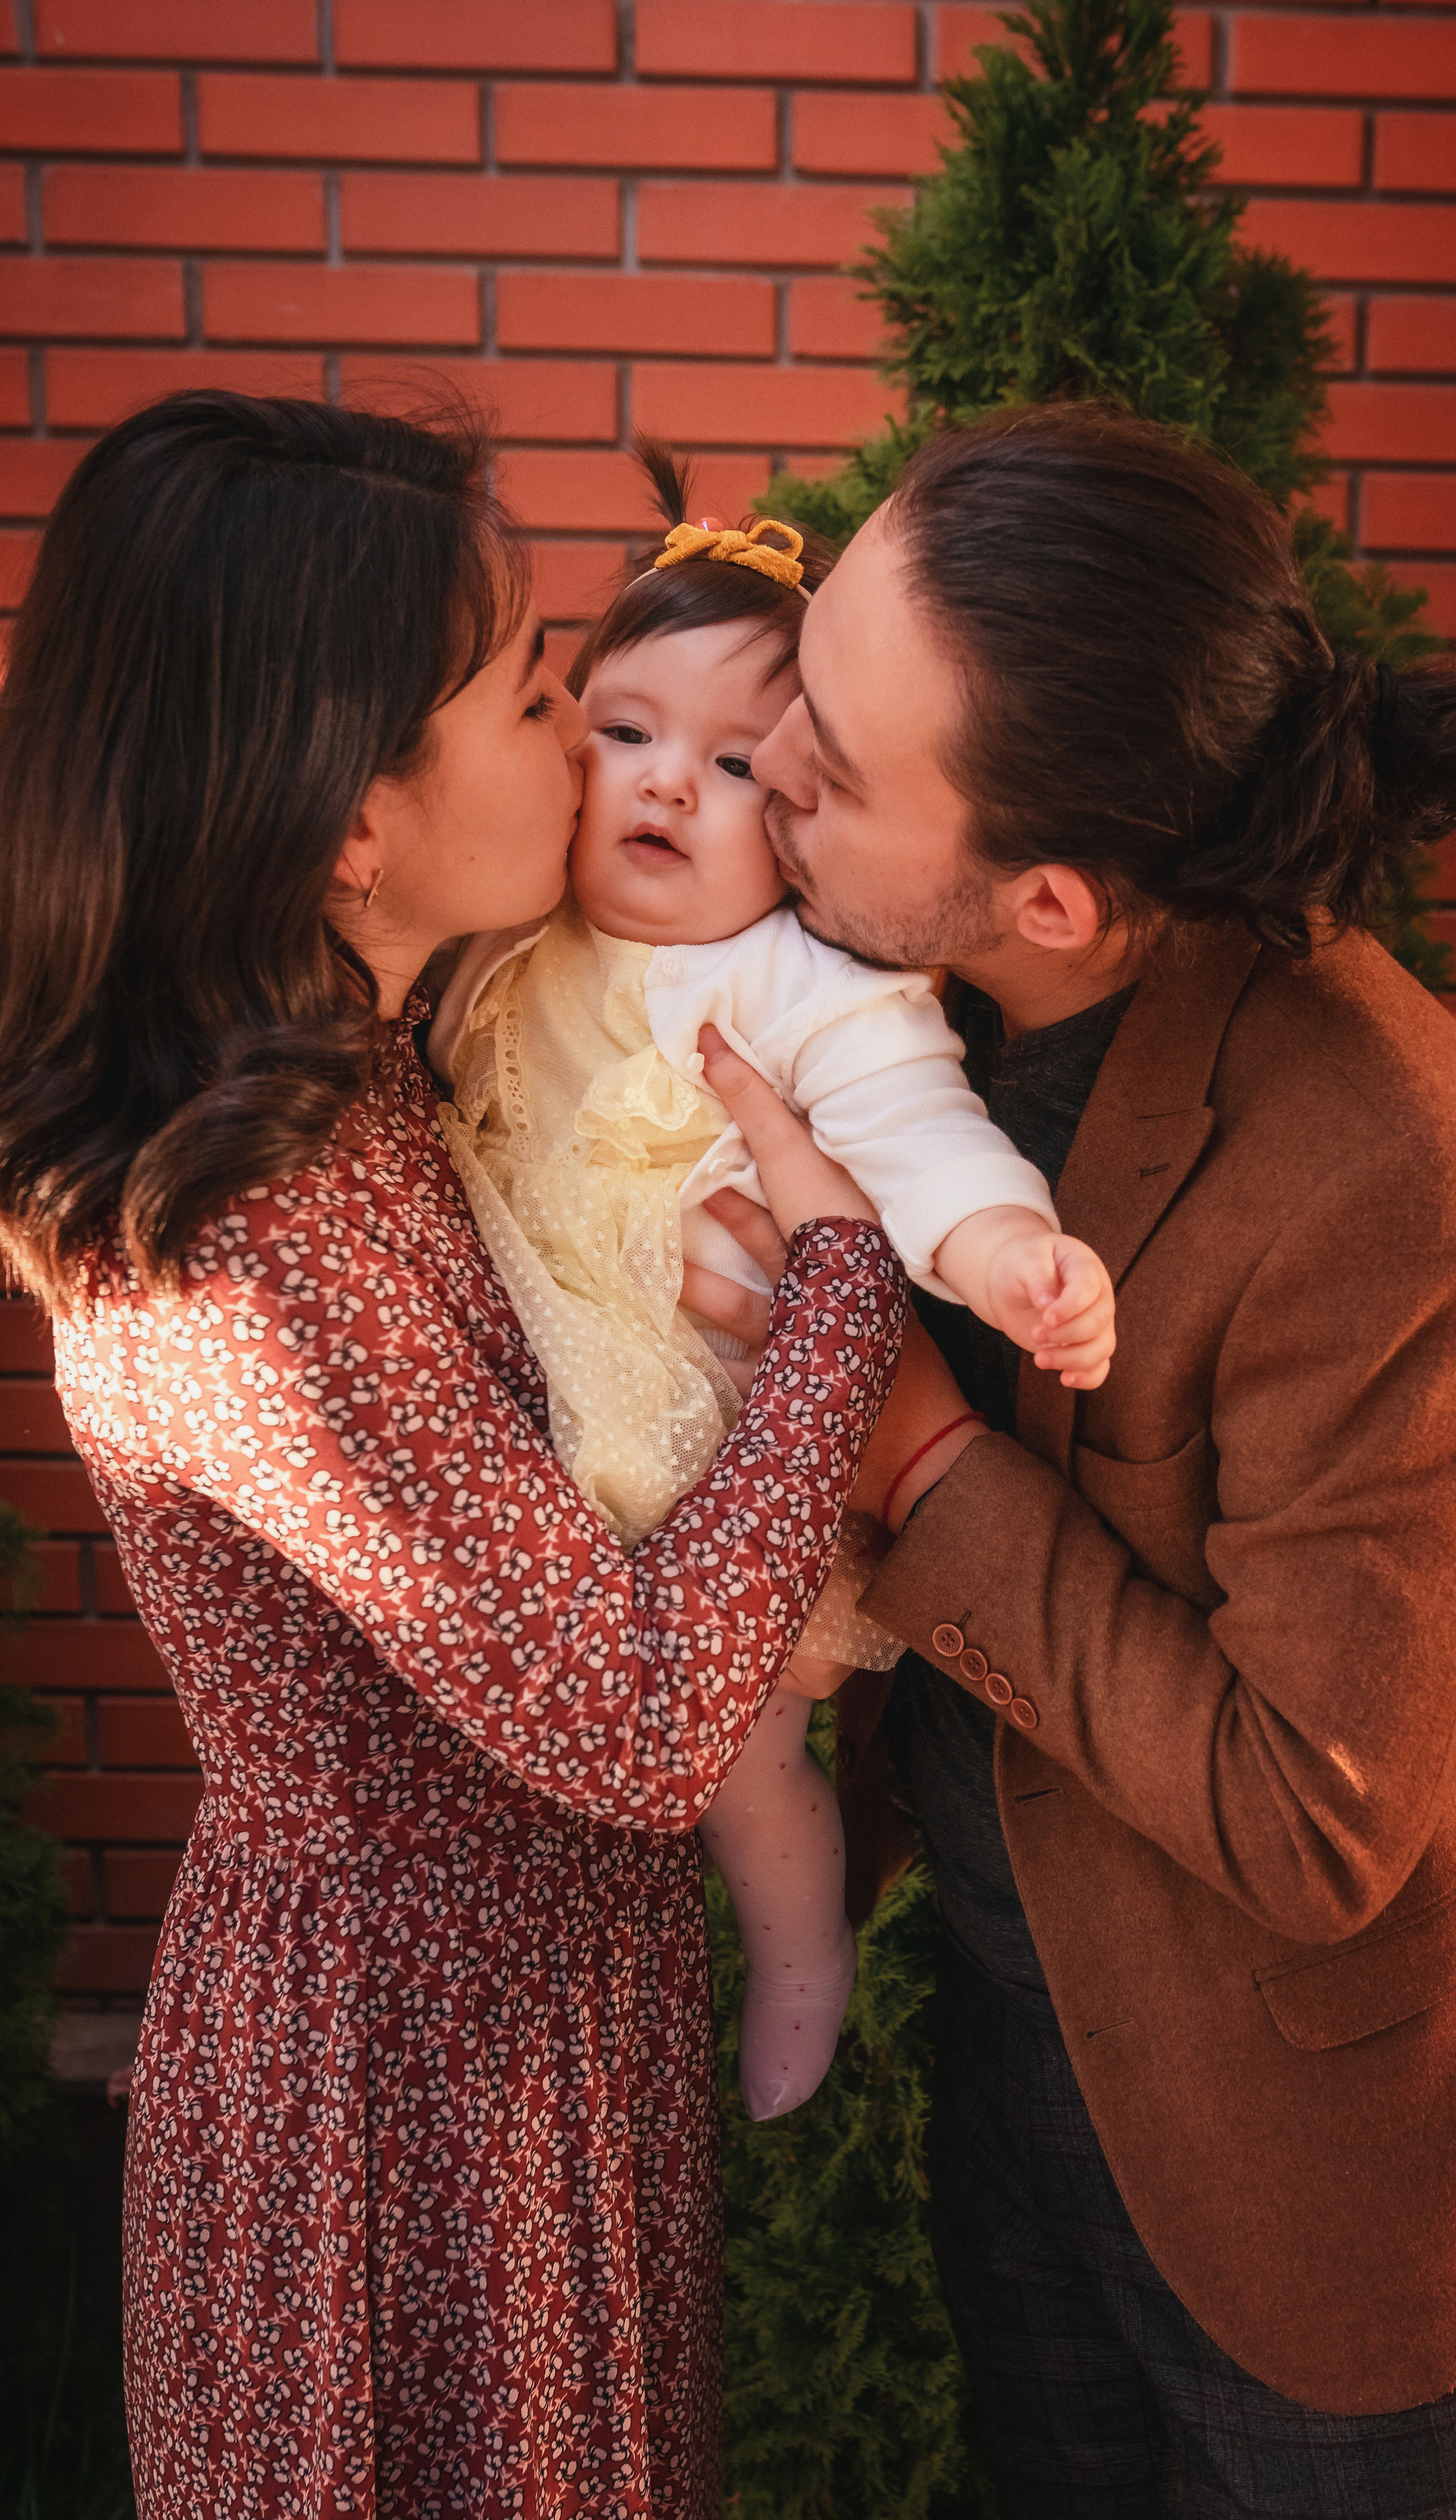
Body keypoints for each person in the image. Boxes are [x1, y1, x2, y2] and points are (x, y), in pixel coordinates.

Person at [0, 390, 972, 2520]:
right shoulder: (241, 1237)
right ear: (352, 818)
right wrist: (833, 1298)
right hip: (399, 2103)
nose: (588, 747)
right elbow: (629, 1716)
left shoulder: (380, 1060)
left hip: (533, 2030)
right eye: (539, 696)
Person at [739, 400, 1456, 2518]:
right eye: (809, 674)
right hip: (1021, 2061)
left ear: (1045, 895)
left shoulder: (1369, 1156)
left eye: (837, 763)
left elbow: (1317, 1814)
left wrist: (917, 1447)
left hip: (1322, 2175)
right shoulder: (892, 985)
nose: (768, 759)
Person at [429, 443, 1115, 2124]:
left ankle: (799, 1954)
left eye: (736, 764)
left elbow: (916, 1130)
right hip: (527, 1479)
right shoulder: (505, 939)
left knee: (749, 1768)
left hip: (728, 1473)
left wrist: (1005, 1248)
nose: (667, 786)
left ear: (802, 813)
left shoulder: (807, 987)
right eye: (623, 733)